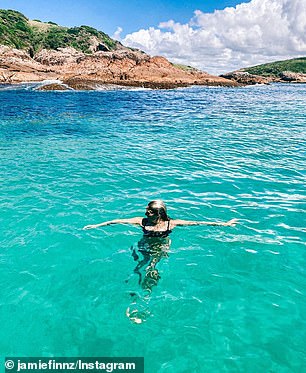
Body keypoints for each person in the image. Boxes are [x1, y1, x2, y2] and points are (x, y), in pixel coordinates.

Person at [83, 200, 238, 323]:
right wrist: (96, 225)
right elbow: (117, 221)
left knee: (151, 268)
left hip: (161, 248)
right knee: (138, 268)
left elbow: (197, 223)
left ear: (158, 214)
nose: (145, 213)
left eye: (149, 211)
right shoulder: (141, 221)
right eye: (146, 210)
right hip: (145, 246)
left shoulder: (171, 223)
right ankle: (136, 295)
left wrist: (224, 224)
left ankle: (147, 297)